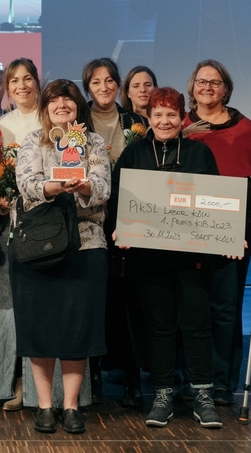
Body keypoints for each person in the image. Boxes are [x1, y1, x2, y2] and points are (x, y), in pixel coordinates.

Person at [110, 87, 224, 428]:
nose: (164, 121)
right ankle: (162, 394)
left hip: (192, 257)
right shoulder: (134, 153)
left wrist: (225, 233)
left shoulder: (199, 153)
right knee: (158, 327)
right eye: (157, 114)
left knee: (197, 325)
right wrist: (121, 229)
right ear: (148, 117)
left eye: (171, 115)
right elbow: (119, 198)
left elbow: (215, 201)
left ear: (182, 118)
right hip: (148, 259)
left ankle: (203, 394)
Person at [12, 79, 110, 435]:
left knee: (75, 330)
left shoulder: (93, 141)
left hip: (85, 245)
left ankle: (70, 406)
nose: (62, 104)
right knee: (40, 328)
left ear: (78, 106)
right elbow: (27, 184)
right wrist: (53, 187)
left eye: (69, 98)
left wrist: (84, 186)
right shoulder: (32, 140)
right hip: (40, 246)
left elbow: (102, 187)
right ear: (46, 107)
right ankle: (44, 405)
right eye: (55, 99)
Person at [182, 59, 251, 406]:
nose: (207, 88)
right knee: (189, 310)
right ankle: (190, 379)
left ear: (226, 89)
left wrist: (248, 229)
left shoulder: (245, 129)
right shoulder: (180, 126)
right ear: (192, 87)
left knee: (224, 311)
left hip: (232, 236)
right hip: (183, 234)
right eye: (201, 82)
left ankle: (221, 383)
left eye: (215, 82)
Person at [81, 57, 148, 407]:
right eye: (96, 82)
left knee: (130, 302)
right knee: (96, 300)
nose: (104, 87)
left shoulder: (136, 121)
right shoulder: (77, 124)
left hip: (131, 218)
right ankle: (93, 376)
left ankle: (133, 378)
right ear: (87, 87)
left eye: (109, 81)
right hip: (91, 220)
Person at [0, 58, 41, 410]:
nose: (21, 85)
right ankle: (16, 383)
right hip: (13, 227)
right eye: (14, 80)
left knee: (42, 306)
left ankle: (45, 389)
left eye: (27, 78)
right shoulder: (0, 127)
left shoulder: (55, 119)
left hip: (52, 226)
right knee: (10, 305)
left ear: (38, 82)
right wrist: (1, 202)